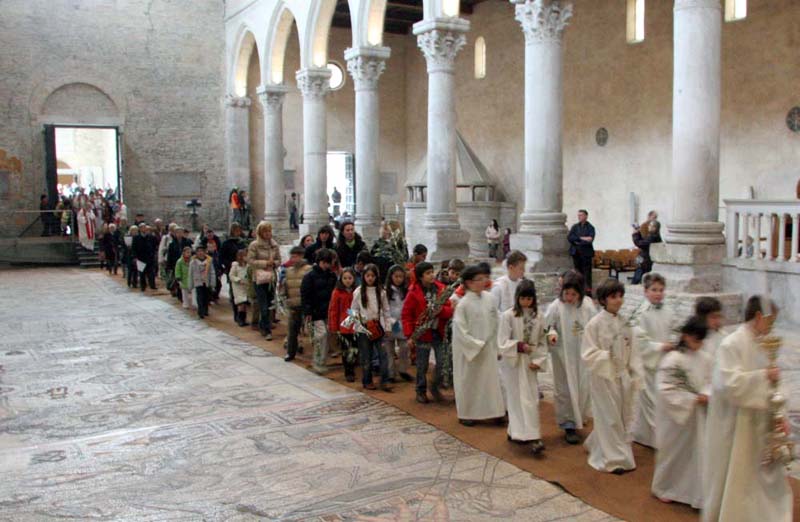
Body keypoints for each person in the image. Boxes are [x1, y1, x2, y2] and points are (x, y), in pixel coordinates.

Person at [702, 296, 792, 522]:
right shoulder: (731, 344)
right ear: (759, 316)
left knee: (761, 472)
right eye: (771, 320)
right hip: (736, 424)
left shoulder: (762, 343)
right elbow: (728, 385)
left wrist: (779, 414)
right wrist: (764, 376)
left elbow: (773, 384)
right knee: (739, 472)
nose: (772, 326)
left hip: (759, 421)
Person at [582, 279, 643, 474]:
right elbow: (588, 353)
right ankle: (613, 459)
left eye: (620, 296)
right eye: (613, 297)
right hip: (603, 376)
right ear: (603, 300)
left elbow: (633, 349)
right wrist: (607, 356)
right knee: (609, 417)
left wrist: (634, 372)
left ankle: (597, 443)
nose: (618, 300)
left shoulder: (626, 323)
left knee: (621, 415)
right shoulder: (594, 324)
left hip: (622, 375)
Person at [651, 316, 711, 508]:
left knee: (696, 454)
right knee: (673, 453)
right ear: (685, 336)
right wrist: (692, 399)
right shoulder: (672, 360)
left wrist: (706, 394)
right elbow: (665, 388)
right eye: (696, 339)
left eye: (701, 341)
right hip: (675, 417)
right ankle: (664, 487)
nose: (699, 344)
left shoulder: (705, 358)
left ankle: (693, 492)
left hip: (696, 415)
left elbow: (710, 381)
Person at [544, 271, 597, 444]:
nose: (569, 298)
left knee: (583, 387)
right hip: (563, 356)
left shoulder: (587, 305)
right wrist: (551, 334)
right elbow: (547, 326)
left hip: (582, 354)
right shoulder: (556, 307)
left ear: (581, 293)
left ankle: (579, 416)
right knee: (565, 389)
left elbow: (595, 326)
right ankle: (568, 424)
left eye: (574, 294)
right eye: (567, 293)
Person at [498, 280, 549, 454]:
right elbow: (502, 341)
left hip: (529, 364)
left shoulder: (539, 317)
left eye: (529, 299)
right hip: (514, 363)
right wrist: (518, 346)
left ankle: (534, 436)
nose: (526, 302)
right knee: (515, 399)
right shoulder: (508, 316)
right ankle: (516, 431)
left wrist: (539, 360)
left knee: (530, 399)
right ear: (517, 298)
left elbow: (542, 341)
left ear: (533, 299)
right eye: (522, 299)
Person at [451, 264, 505, 426]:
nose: (484, 282)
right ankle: (467, 413)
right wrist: (476, 345)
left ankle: (495, 412)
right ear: (469, 283)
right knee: (470, 382)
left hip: (489, 348)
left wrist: (498, 344)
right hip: (471, 352)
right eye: (479, 279)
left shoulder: (490, 299)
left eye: (484, 278)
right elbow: (460, 331)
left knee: (491, 382)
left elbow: (497, 321)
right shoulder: (463, 304)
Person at [630, 273, 675, 449]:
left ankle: (643, 433)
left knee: (661, 399)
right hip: (649, 361)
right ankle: (657, 438)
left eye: (661, 290)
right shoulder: (641, 313)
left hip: (664, 361)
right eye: (654, 290)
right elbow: (639, 340)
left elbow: (672, 329)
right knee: (650, 399)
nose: (658, 293)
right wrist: (660, 346)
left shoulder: (668, 311)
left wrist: (672, 343)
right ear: (645, 291)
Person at [402, 261, 453, 404]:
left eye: (432, 272)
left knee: (443, 362)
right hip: (423, 334)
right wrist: (409, 335)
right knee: (422, 364)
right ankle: (420, 390)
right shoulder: (413, 293)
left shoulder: (441, 289)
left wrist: (441, 311)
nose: (431, 275)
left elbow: (450, 309)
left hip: (439, 332)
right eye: (427, 273)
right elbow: (406, 315)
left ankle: (435, 385)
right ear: (420, 276)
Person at [350, 264, 393, 392]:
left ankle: (385, 380)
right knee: (366, 357)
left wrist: (388, 327)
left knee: (383, 355)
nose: (370, 278)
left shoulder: (381, 292)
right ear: (363, 276)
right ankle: (367, 380)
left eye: (372, 276)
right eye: (367, 275)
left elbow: (386, 310)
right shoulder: (358, 292)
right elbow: (353, 310)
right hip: (363, 328)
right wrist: (358, 324)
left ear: (376, 277)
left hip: (379, 327)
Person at [301, 248, 338, 374]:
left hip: (328, 311)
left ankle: (322, 361)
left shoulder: (332, 276)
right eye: (324, 262)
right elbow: (305, 296)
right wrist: (308, 312)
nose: (326, 265)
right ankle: (318, 362)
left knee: (327, 337)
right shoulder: (309, 277)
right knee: (321, 336)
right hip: (315, 312)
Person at [247, 221, 281, 341]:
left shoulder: (274, 245)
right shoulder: (254, 245)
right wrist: (265, 263)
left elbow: (279, 260)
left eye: (269, 231)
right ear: (260, 232)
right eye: (265, 231)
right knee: (263, 305)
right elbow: (250, 261)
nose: (268, 233)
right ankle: (266, 330)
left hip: (271, 278)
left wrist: (274, 263)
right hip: (259, 278)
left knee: (270, 304)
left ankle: (264, 324)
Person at [384, 265, 412, 383]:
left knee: (404, 348)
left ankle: (403, 370)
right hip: (389, 323)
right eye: (396, 276)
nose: (398, 279)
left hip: (402, 323)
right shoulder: (385, 291)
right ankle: (390, 373)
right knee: (389, 351)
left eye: (401, 277)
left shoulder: (406, 291)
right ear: (391, 277)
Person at [328, 267, 358, 378]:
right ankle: (348, 371)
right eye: (345, 278)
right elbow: (333, 310)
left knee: (355, 349)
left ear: (354, 279)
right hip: (343, 326)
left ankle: (352, 367)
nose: (347, 280)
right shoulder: (337, 292)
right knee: (346, 349)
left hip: (356, 325)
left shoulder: (357, 291)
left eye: (350, 278)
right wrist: (333, 326)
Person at [567, 209, 595, 295]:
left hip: (586, 253)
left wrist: (578, 239)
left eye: (581, 215)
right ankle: (578, 289)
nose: (579, 217)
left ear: (586, 216)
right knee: (577, 272)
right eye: (578, 215)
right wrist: (582, 238)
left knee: (587, 272)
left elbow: (590, 239)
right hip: (576, 252)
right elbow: (570, 237)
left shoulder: (590, 227)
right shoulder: (575, 227)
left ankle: (587, 291)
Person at [631, 219, 662, 285]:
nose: (649, 227)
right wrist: (638, 233)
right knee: (638, 276)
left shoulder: (654, 237)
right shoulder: (651, 235)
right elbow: (643, 241)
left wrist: (635, 234)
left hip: (645, 262)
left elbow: (640, 243)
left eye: (651, 225)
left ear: (655, 228)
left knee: (637, 279)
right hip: (643, 260)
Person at [191, 245, 214, 319]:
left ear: (205, 252)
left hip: (206, 281)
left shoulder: (209, 261)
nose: (200, 253)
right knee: (199, 296)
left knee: (206, 296)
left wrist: (212, 282)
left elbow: (212, 272)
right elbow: (190, 273)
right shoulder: (193, 262)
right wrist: (190, 283)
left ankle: (205, 310)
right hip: (198, 281)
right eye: (198, 251)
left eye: (202, 251)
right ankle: (200, 312)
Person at [229, 249, 250, 326]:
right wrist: (238, 280)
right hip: (238, 287)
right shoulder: (235, 266)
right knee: (241, 303)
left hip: (246, 286)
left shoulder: (248, 266)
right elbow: (231, 275)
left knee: (244, 303)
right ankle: (240, 319)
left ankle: (243, 319)